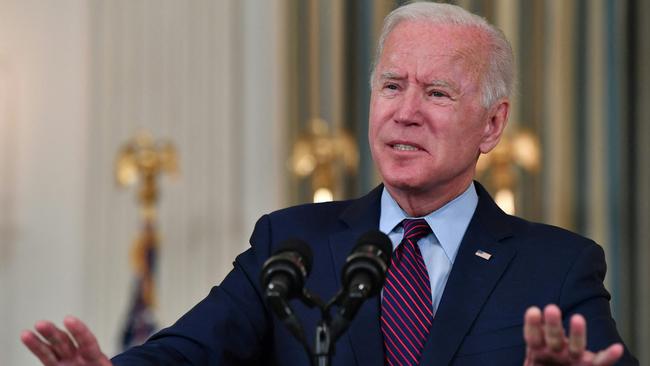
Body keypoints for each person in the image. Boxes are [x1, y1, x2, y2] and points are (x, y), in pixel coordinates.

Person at [20, 2, 638, 366]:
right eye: (392, 85)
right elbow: (188, 353)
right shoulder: (290, 243)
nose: (406, 111)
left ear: (492, 124)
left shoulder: (556, 265)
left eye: (438, 93)